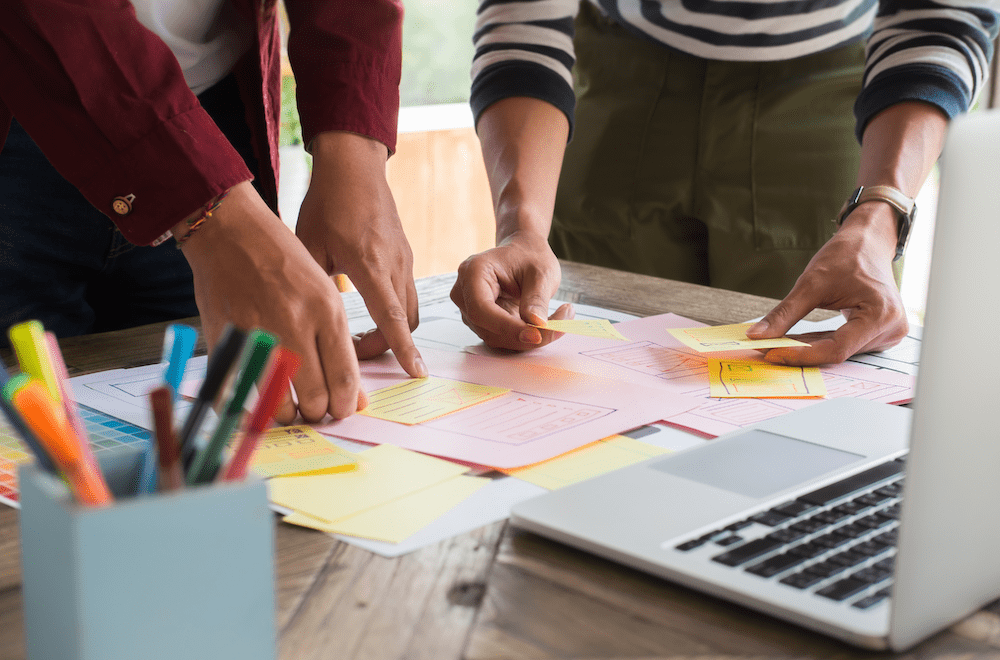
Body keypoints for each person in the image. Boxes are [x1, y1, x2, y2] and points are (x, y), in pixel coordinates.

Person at [451, 0, 998, 365]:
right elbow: (525, 14)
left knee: (810, 383)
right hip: (622, 71)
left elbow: (941, 16)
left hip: (839, 86)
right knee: (590, 372)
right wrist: (520, 227)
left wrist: (879, 213)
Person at [0, 0, 426, 424]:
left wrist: (354, 155)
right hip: (21, 118)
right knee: (30, 445)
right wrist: (210, 206)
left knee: (198, 434)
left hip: (214, 114)